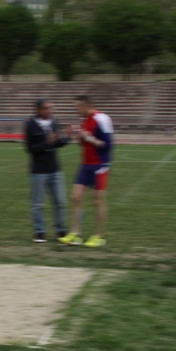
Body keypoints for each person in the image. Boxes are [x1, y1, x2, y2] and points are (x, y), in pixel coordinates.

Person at [59, 95, 113, 248]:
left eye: (78, 107)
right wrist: (79, 136)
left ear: (86, 106)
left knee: (97, 201)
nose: (76, 111)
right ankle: (75, 234)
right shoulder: (84, 122)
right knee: (75, 197)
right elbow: (85, 145)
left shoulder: (102, 118)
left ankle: (99, 236)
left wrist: (90, 139)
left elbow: (108, 145)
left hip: (100, 165)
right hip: (85, 164)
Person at [25, 99, 69, 243]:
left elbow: (57, 143)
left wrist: (66, 138)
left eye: (51, 108)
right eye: (47, 108)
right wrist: (47, 143)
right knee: (38, 203)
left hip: (54, 168)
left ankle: (61, 230)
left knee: (60, 201)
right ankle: (39, 232)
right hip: (38, 170)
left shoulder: (54, 122)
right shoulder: (30, 125)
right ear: (38, 110)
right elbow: (30, 149)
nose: (50, 111)